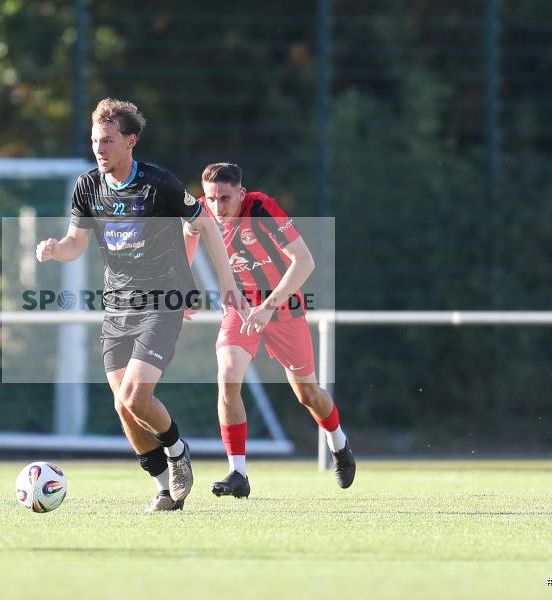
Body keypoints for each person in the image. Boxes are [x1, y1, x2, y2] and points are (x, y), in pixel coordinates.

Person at [36, 100, 246, 512]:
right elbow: (76, 244)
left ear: (130, 141)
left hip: (163, 301)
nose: (100, 148)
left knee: (135, 394)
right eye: (96, 140)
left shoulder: (158, 184)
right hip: (117, 306)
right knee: (124, 407)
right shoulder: (87, 186)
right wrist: (55, 249)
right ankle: (166, 491)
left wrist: (227, 285)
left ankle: (177, 448)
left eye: (109, 140)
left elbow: (204, 222)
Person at [183, 162, 356, 498]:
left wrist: (269, 307)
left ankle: (339, 444)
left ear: (242, 193)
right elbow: (187, 237)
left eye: (225, 198)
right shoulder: (202, 210)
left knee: (307, 394)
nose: (218, 207)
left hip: (283, 306)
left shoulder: (261, 208)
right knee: (228, 375)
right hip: (241, 307)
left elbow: (304, 261)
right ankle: (238, 472)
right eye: (212, 198)